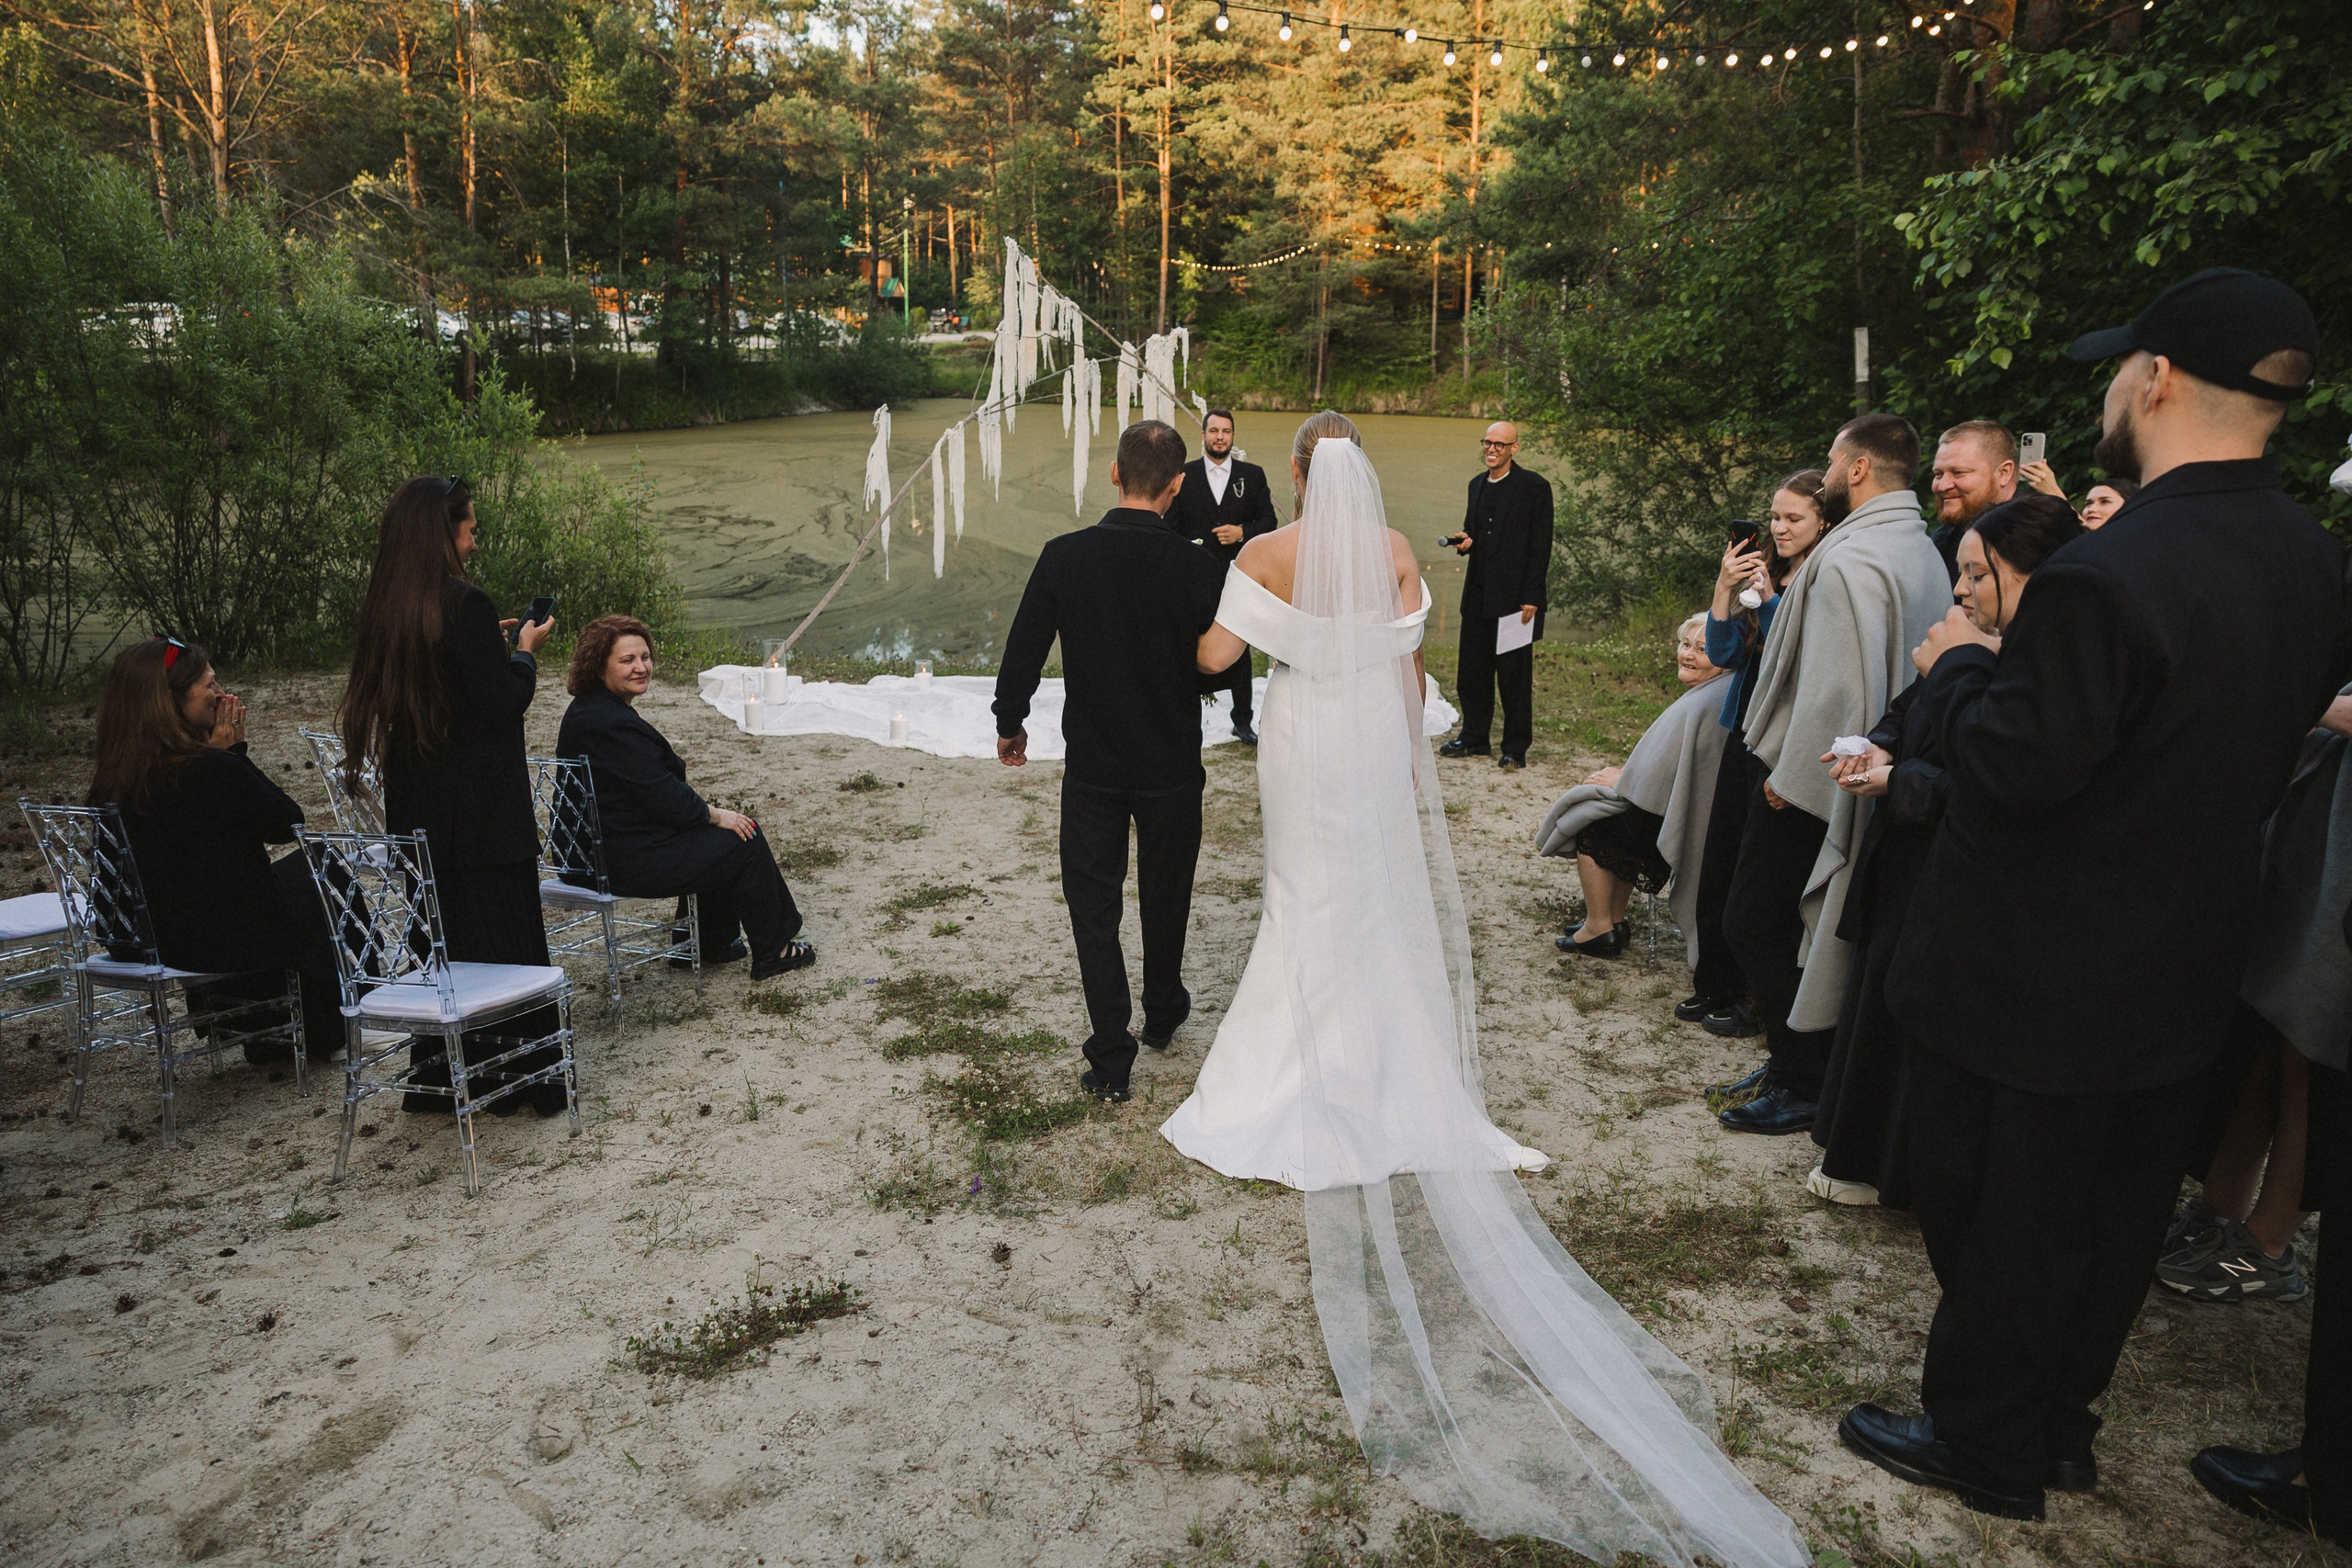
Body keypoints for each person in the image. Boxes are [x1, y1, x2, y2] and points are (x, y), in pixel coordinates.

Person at [1159, 413, 1809, 1568]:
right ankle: (1382, 1054)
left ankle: (1298, 1064)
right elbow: (1411, 670)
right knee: (1362, 895)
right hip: (1368, 731)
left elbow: (1216, 660)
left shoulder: (1260, 553)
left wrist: (1203, 617)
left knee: (1304, 893)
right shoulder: (1402, 547)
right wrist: (1406, 739)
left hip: (1306, 729)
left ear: (1300, 473)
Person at [1841, 267, 2352, 1524]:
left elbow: (2015, 773)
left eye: (2125, 365)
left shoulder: (2111, 572)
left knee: (2002, 1201)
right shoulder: (2311, 560)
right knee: (2115, 1210)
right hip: (2188, 957)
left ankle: (1987, 1439)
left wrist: (1969, 663)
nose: (2117, 382)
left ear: (2159, 379)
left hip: (2037, 960)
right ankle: (2060, 1421)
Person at [1808, 496, 2084, 1209]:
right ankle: (1857, 1152)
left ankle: (1900, 1174)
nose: (1959, 590)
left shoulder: (2036, 669)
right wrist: (1880, 741)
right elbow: (1909, 706)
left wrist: (1901, 779)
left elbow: (1986, 783)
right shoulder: (1964, 640)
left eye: (1976, 575)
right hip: (1903, 857)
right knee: (1876, 998)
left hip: (1953, 869)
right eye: (1958, 573)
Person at [1717, 416, 1950, 1137]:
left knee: (1754, 919)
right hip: (1880, 763)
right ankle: (1800, 1057)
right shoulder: (1916, 547)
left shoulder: (1849, 560)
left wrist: (1792, 780)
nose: (1823, 473)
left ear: (1856, 470)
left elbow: (1835, 688)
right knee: (1800, 927)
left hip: (1820, 772)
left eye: (1829, 461)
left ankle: (1801, 1077)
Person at [994, 419, 1225, 1102]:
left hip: (1093, 763)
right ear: (1178, 486)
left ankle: (1112, 1053)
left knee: (1093, 906)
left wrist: (1011, 721)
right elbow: (1214, 668)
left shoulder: (1063, 555)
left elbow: (1024, 647)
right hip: (1171, 763)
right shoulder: (1195, 564)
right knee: (1166, 888)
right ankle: (1161, 1009)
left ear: (1116, 474)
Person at [339, 476, 566, 1116]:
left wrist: (485, 649)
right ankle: (520, 1080)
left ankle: (446, 1077)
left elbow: (452, 685)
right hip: (482, 812)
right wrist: (521, 654)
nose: (473, 538)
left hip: (422, 810)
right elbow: (499, 704)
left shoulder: (394, 610)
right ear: (445, 530)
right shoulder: (461, 605)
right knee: (502, 944)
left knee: (446, 939)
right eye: (468, 526)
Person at [85, 636, 345, 1063]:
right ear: (169, 701)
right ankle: (328, 1023)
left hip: (143, 937)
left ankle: (259, 1026)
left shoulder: (115, 778)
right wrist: (235, 756)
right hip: (213, 942)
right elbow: (288, 822)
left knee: (286, 881)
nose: (223, 695)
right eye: (210, 686)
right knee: (320, 865)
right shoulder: (210, 770)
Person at [556, 615, 814, 980]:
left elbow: (645, 793)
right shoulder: (609, 722)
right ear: (599, 667)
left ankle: (706, 943)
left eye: (645, 657)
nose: (641, 667)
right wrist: (715, 814)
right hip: (612, 859)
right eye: (627, 660)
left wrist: (702, 820)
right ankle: (775, 950)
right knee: (742, 836)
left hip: (599, 848)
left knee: (713, 840)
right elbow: (661, 794)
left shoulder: (589, 710)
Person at [1690, 472, 1829, 1043]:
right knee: (1719, 858)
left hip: (1785, 742)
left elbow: (1799, 662)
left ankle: (1760, 1002)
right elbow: (1726, 653)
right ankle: (1720, 987)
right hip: (1741, 730)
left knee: (1760, 875)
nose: (1779, 528)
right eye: (1775, 517)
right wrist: (1725, 591)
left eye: (1794, 518)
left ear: (1824, 520)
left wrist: (1772, 603)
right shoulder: (1763, 569)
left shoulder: (1824, 579)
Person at [1544, 614, 1729, 959]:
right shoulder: (1715, 693)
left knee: (1595, 827)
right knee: (1618, 813)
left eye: (1702, 650)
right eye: (1685, 645)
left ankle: (1599, 929)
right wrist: (1632, 774)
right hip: (1677, 809)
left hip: (1682, 822)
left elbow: (1685, 773)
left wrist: (1627, 780)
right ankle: (1614, 922)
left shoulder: (1709, 702)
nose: (1687, 654)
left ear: (1726, 654)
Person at [1438, 421, 1553, 770]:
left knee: (1513, 676)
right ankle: (1474, 738)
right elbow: (1475, 531)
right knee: (1472, 672)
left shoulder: (1534, 488)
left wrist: (1532, 595)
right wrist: (1465, 541)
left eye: (1500, 445)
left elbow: (1540, 546)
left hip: (1517, 600)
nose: (1492, 450)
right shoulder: (1477, 485)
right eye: (1487, 443)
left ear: (1514, 448)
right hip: (1477, 596)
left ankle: (1515, 747)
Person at [1170, 408, 1280, 743]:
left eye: (1226, 431)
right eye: (1214, 431)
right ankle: (1185, 715)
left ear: (1233, 437)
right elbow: (1169, 526)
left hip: (1238, 577)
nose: (1220, 437)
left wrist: (1242, 532)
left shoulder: (1253, 475)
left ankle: (1242, 719)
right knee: (1188, 644)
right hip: (1193, 578)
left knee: (1239, 646)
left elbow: (1269, 523)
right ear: (1203, 435)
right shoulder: (1183, 476)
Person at [1926, 421, 2018, 583]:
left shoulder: (2041, 535)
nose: (1943, 486)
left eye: (1958, 473)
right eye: (1938, 474)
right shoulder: (1942, 542)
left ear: (2004, 473)